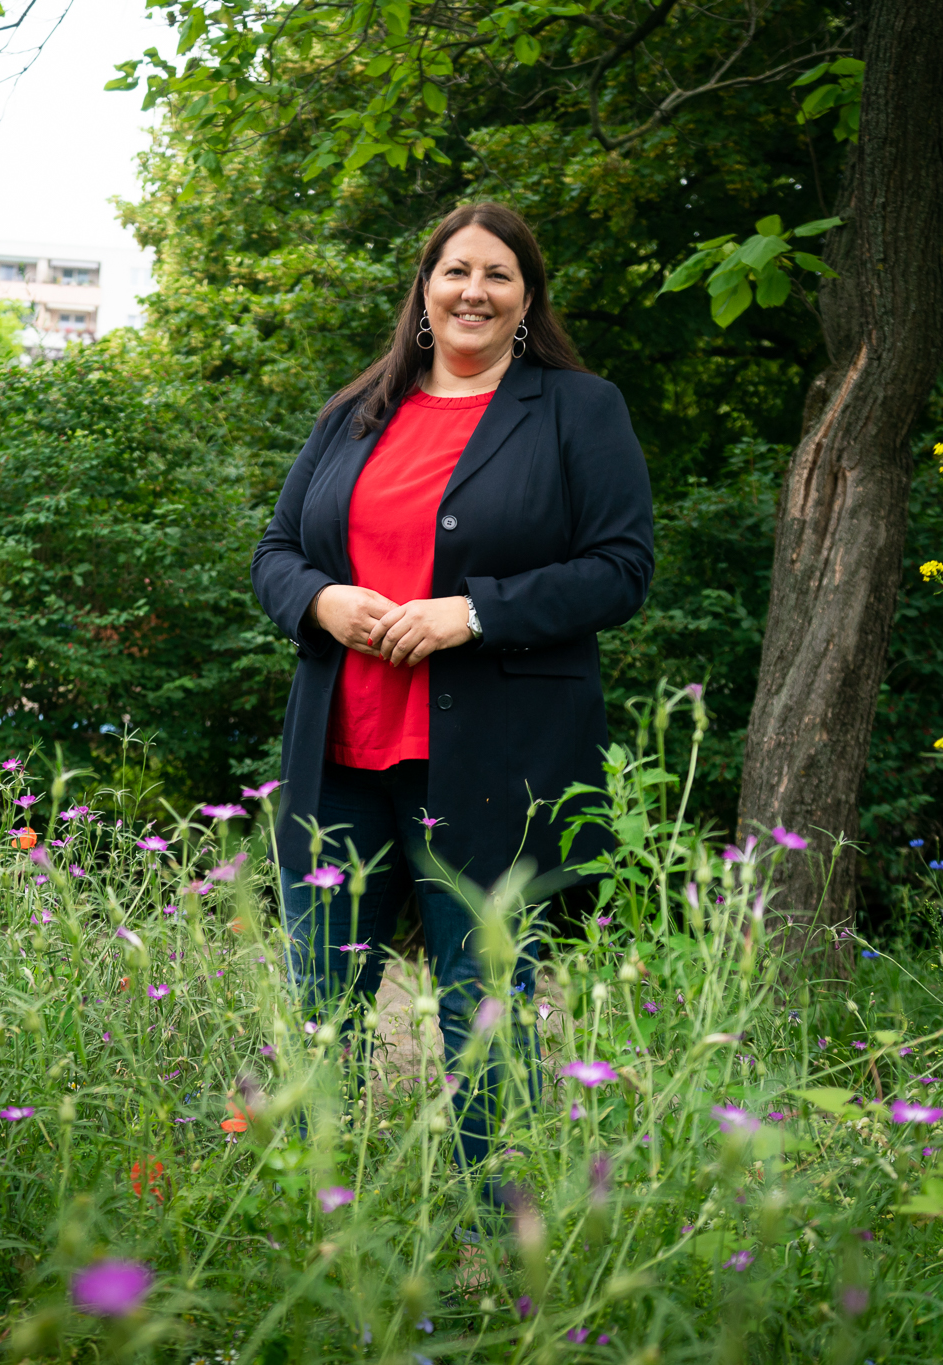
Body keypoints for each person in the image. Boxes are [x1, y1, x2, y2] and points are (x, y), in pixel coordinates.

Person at [250, 201, 655, 1171]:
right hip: (340, 761)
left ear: (527, 299)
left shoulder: (577, 409)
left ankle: (494, 1231)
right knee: (319, 1007)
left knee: (484, 1013)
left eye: (497, 274)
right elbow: (274, 552)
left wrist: (469, 613)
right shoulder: (354, 413)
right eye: (455, 271)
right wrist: (322, 600)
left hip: (490, 766)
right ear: (424, 291)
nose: (474, 290)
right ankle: (315, 1208)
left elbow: (620, 568)